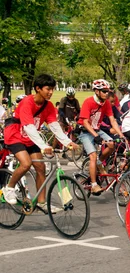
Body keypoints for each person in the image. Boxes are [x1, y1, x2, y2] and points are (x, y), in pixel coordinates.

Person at [2, 74, 78, 210]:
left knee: (41, 168)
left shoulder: (48, 106)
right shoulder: (27, 102)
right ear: (38, 88)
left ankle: (42, 203)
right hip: (15, 134)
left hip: (30, 137)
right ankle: (9, 188)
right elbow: (28, 126)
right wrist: (43, 145)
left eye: (52, 89)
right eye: (47, 89)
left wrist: (67, 142)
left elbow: (54, 125)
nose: (50, 92)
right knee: (26, 163)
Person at [78, 79, 125, 194]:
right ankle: (94, 185)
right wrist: (95, 136)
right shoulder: (88, 102)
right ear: (97, 91)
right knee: (93, 156)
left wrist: (121, 134)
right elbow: (84, 122)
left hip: (97, 130)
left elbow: (112, 120)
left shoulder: (107, 103)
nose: (106, 94)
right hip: (85, 131)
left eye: (107, 91)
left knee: (111, 144)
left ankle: (99, 162)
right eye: (104, 91)